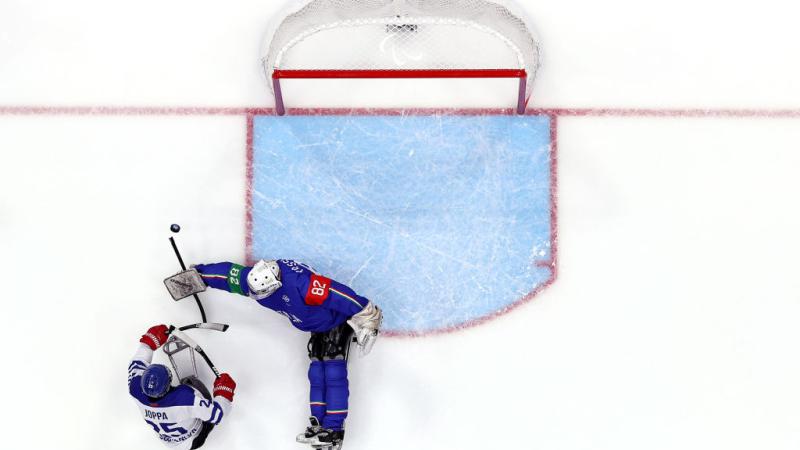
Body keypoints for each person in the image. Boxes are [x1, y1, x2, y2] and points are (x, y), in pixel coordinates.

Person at [190, 259, 382, 449]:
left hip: (335, 321)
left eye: (261, 293)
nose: (256, 296)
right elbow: (226, 274)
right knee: (316, 373)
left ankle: (334, 429)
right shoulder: (253, 281)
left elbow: (336, 293)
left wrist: (367, 313)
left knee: (333, 373)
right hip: (316, 326)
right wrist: (199, 275)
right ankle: (319, 423)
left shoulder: (300, 284)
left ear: (275, 285)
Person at [128, 324, 237, 449]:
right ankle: (201, 416)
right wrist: (223, 393)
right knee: (191, 384)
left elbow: (136, 363)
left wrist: (148, 343)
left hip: (170, 443)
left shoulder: (135, 389)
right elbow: (218, 415)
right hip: (194, 440)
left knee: (188, 398)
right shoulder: (184, 399)